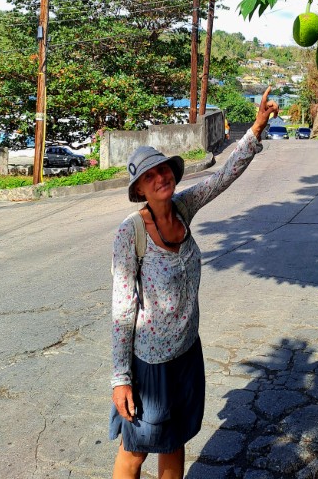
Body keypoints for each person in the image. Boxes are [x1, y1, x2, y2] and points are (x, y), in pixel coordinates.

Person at [110, 86, 278, 479]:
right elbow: (121, 310)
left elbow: (221, 178)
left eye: (163, 169)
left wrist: (255, 128)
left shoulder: (184, 208)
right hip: (150, 363)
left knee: (176, 440)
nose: (160, 177)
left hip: (187, 351)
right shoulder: (129, 234)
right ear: (139, 190)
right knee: (135, 450)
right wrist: (121, 379)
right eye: (149, 176)